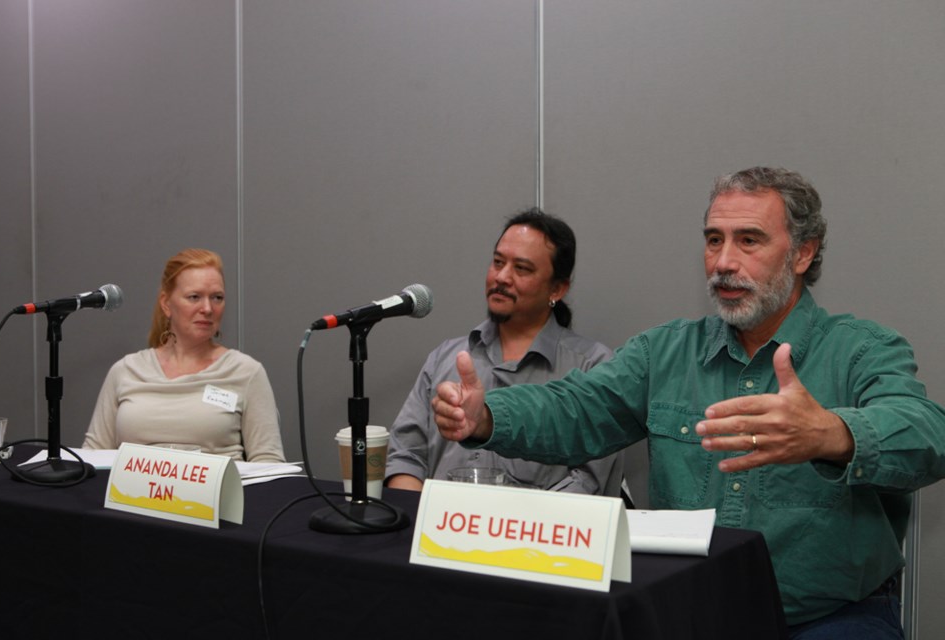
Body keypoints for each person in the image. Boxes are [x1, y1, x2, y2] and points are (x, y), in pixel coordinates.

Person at [432, 167, 945, 638]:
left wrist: (832, 434)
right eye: (713, 240)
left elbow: (927, 434)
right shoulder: (665, 351)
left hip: (829, 618)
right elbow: (577, 409)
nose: (723, 262)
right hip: (690, 612)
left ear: (803, 254)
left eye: (749, 241)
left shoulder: (861, 348)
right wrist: (487, 417)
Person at [386, 208, 626, 497]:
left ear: (557, 289)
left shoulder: (593, 367)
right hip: (439, 536)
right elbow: (405, 457)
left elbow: (588, 482)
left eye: (521, 269)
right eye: (498, 262)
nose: (501, 277)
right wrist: (416, 520)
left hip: (536, 538)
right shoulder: (445, 357)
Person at [84, 248, 286, 462]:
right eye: (194, 297)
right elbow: (93, 455)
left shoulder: (245, 372)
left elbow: (269, 463)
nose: (208, 308)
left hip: (217, 494)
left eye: (217, 297)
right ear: (166, 304)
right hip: (132, 495)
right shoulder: (126, 371)